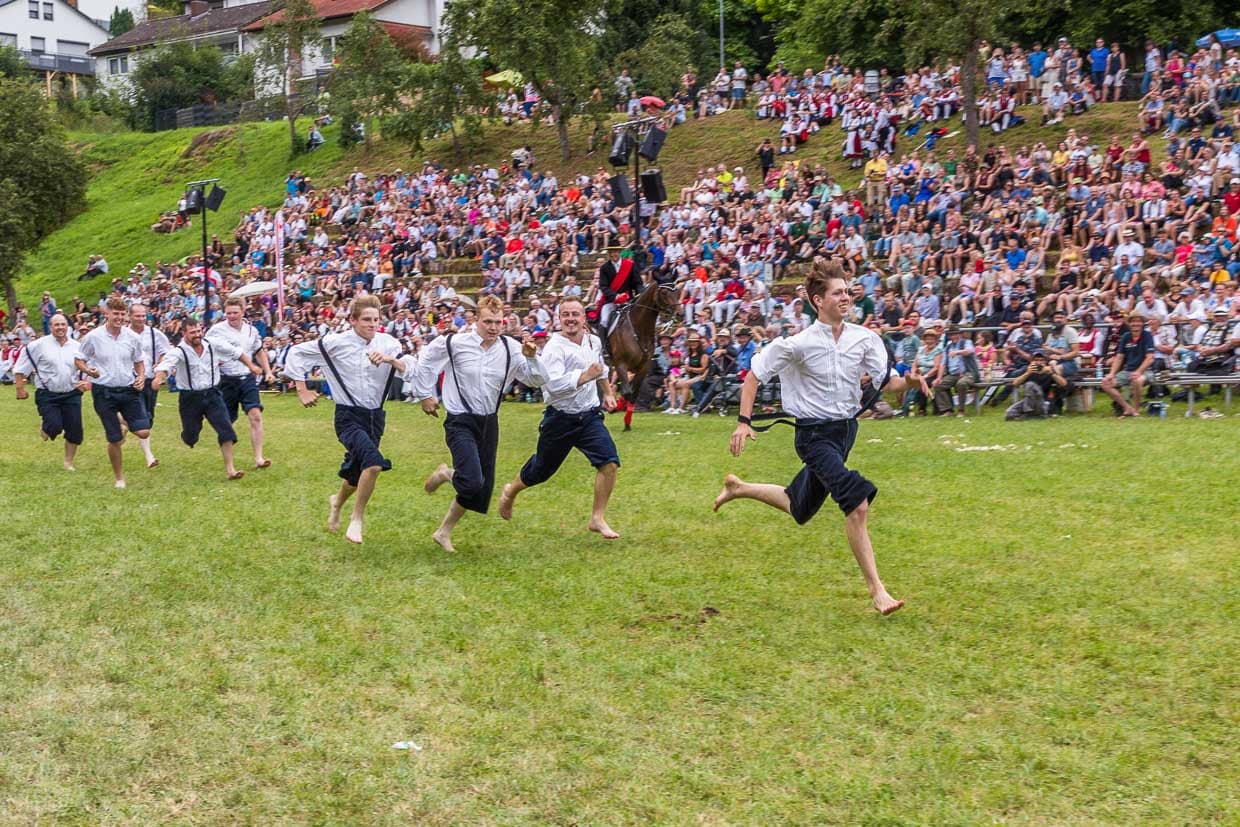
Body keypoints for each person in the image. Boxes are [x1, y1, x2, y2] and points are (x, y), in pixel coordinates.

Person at [713, 261, 906, 615]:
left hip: (846, 432)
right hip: (813, 435)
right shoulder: (796, 344)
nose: (846, 297)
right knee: (856, 501)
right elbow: (754, 376)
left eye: (848, 291)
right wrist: (743, 422)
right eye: (838, 292)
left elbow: (889, 383)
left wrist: (907, 384)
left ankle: (738, 488)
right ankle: (877, 590)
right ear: (819, 299)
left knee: (798, 505)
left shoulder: (865, 339)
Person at [414, 295, 548, 552]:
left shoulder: (510, 348)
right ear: (476, 318)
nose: (494, 327)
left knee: (480, 489)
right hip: (460, 420)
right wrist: (425, 394)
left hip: (489, 422)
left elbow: (537, 380)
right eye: (488, 321)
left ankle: (443, 532)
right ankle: (446, 473)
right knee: (472, 480)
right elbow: (427, 361)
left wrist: (532, 358)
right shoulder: (455, 343)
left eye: (499, 322)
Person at [283, 295, 413, 544]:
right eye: (366, 319)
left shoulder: (389, 343)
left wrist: (389, 359)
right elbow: (297, 353)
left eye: (376, 320)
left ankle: (336, 502)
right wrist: (301, 389)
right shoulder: (335, 343)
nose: (372, 324)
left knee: (355, 474)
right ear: (353, 320)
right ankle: (357, 519)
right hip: (347, 416)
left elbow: (410, 367)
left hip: (376, 417)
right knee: (373, 464)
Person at [498, 296, 622, 538]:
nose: (570, 319)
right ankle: (510, 491)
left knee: (609, 463)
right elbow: (552, 385)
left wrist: (607, 392)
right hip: (560, 419)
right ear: (559, 318)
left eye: (575, 314)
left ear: (584, 318)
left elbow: (601, 369)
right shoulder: (555, 347)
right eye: (565, 314)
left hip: (588, 417)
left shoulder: (593, 341)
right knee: (540, 471)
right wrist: (584, 376)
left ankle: (597, 518)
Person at [152, 319, 258, 481]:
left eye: (199, 331)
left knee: (226, 430)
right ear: (184, 334)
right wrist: (158, 379)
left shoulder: (212, 344)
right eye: (192, 332)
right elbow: (166, 364)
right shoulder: (179, 350)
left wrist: (251, 366)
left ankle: (231, 470)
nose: (197, 335)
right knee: (191, 435)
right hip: (190, 398)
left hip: (213, 394)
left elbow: (236, 352)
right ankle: (188, 436)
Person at [78, 297, 150, 489]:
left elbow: (139, 360)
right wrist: (88, 372)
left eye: (121, 314)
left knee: (143, 431)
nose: (119, 317)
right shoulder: (93, 337)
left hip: (128, 389)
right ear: (106, 314)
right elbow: (79, 359)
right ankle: (119, 478)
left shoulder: (132, 337)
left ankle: (123, 424)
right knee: (115, 439)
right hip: (104, 392)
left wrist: (141, 376)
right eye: (115, 314)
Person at [13, 313, 92, 471]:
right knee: (54, 427)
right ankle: (47, 427)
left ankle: (68, 463)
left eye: (63, 324)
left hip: (71, 392)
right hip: (47, 394)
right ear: (50, 327)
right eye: (56, 325)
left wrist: (87, 381)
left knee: (75, 430)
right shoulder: (38, 345)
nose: (60, 327)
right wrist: (20, 389)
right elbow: (20, 368)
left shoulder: (77, 346)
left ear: (67, 326)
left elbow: (88, 366)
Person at [206, 297, 276, 469]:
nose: (231, 316)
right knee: (226, 424)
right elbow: (204, 350)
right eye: (228, 313)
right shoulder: (216, 331)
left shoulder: (251, 331)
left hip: (247, 378)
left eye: (235, 313)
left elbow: (259, 352)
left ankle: (259, 458)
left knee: (255, 416)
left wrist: (268, 371)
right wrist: (214, 362)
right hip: (225, 381)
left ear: (243, 312)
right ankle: (230, 466)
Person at [128, 302, 170, 469]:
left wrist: (158, 366)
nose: (140, 319)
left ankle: (124, 422)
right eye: (137, 316)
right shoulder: (123, 334)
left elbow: (166, 352)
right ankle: (149, 457)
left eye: (143, 316)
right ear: (129, 316)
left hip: (149, 380)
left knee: (149, 418)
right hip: (130, 381)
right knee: (142, 418)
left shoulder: (155, 334)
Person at [1100, 313, 1156, 416]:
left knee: (1137, 380)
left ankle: (1136, 410)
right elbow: (1119, 357)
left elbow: (1150, 358)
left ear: (1142, 323)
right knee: (1105, 383)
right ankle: (1127, 408)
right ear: (1129, 323)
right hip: (1127, 370)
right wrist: (1112, 374)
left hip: (1145, 371)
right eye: (1133, 321)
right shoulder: (1126, 336)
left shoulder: (1147, 336)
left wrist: (1139, 372)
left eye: (1138, 321)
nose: (1136, 323)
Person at [1004, 349, 1068, 420]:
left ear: (1045, 361)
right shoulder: (1028, 370)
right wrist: (1027, 373)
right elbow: (1015, 383)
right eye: (1036, 360)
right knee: (1009, 413)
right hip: (1028, 401)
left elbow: (1064, 383)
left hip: (1043, 402)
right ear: (1032, 361)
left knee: (1030, 384)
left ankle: (1030, 413)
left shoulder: (1049, 371)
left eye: (1041, 360)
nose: (1039, 362)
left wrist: (1052, 373)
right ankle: (1031, 416)